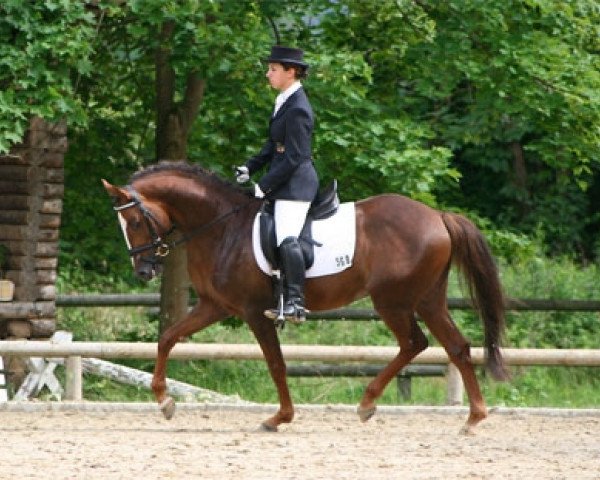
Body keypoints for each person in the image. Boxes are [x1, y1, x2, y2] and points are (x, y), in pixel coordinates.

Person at [235, 45, 318, 323]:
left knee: (285, 237)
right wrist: (250, 166)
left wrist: (263, 187)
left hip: (296, 186)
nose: (267, 73)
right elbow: (274, 144)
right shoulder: (284, 101)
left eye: (273, 69)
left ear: (291, 72)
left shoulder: (298, 109)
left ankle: (295, 301)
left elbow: (294, 157)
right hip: (285, 182)